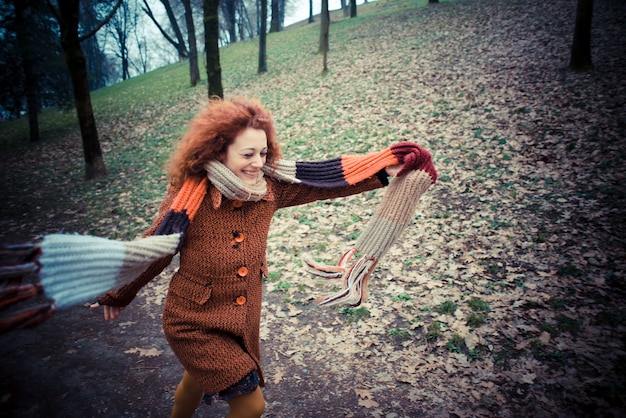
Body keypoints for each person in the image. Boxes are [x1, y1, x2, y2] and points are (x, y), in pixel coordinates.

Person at [90, 97, 436, 418]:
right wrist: (120, 291)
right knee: (252, 404)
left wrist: (381, 170)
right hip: (192, 321)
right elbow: (156, 249)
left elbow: (322, 179)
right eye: (247, 155)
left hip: (240, 317)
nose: (258, 163)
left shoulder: (270, 188)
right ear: (218, 152)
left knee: (195, 378)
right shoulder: (189, 197)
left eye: (263, 153)